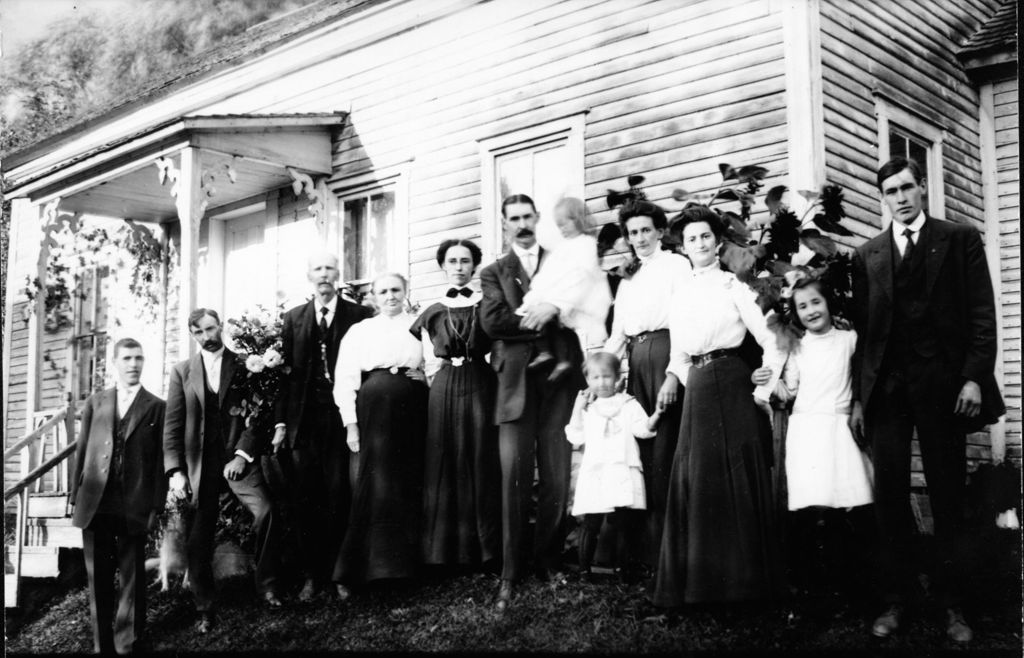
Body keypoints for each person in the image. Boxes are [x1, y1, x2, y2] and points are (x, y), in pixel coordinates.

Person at [849, 156, 1004, 643]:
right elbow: (864, 334)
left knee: (947, 496)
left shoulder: (958, 239)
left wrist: (974, 378)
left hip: (944, 390)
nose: (900, 197)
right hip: (887, 393)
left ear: (922, 189)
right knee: (889, 498)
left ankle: (953, 605)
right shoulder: (867, 255)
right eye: (890, 190)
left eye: (907, 187)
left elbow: (982, 315)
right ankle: (897, 601)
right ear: (883, 197)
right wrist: (859, 398)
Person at [653, 205, 785, 607]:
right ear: (684, 247)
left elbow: (774, 340)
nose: (699, 244)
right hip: (698, 389)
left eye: (706, 236)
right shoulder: (680, 293)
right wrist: (673, 378)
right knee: (698, 479)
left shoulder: (734, 287)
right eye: (691, 239)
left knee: (735, 479)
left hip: (730, 382)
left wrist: (763, 389)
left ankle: (743, 589)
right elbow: (678, 352)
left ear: (718, 241)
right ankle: (700, 587)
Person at [480, 193, 585, 611]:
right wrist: (543, 314)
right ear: (504, 224)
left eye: (528, 217)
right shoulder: (493, 272)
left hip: (558, 383)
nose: (522, 224)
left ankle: (550, 561)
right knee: (514, 479)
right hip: (514, 386)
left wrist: (555, 307)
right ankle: (510, 572)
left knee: (557, 477)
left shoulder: (561, 261)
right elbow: (492, 322)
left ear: (538, 219)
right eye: (514, 219)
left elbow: (577, 308)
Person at [164, 309, 284, 634]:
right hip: (199, 465)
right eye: (199, 332)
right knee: (197, 536)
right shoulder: (182, 371)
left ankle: (268, 586)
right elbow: (173, 424)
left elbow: (258, 412)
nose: (207, 336)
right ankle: (205, 607)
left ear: (220, 327)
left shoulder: (245, 364)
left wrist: (243, 454)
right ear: (193, 334)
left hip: (236, 461)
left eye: (211, 328)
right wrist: (175, 471)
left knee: (267, 511)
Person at [759, 273, 873, 597]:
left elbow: (862, 378)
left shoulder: (849, 340)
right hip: (807, 431)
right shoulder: (798, 349)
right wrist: (763, 379)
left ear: (828, 303)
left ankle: (847, 583)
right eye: (802, 306)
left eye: (816, 302)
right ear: (795, 313)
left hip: (839, 428)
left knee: (843, 505)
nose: (811, 311)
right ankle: (808, 585)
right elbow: (789, 390)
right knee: (810, 507)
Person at [272, 250, 373, 601]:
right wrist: (282, 422)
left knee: (340, 496)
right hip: (304, 423)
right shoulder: (294, 318)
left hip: (343, 419)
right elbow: (285, 378)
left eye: (330, 268)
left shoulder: (359, 315)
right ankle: (313, 576)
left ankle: (341, 574)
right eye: (318, 268)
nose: (324, 274)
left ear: (338, 274)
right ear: (309, 276)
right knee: (305, 500)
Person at [603, 198, 691, 567]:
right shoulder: (629, 275)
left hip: (667, 353)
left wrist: (674, 372)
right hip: (637, 362)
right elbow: (619, 332)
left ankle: (677, 550)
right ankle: (650, 552)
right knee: (643, 448)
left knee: (668, 446)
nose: (639, 238)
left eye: (645, 230)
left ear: (659, 232)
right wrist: (601, 372)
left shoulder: (676, 265)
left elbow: (687, 320)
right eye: (632, 232)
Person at [333, 273, 429, 590]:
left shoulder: (420, 325)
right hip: (373, 412)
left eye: (396, 290)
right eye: (383, 291)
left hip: (412, 411)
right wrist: (351, 425)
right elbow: (345, 379)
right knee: (374, 484)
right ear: (373, 296)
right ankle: (367, 569)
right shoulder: (360, 331)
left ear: (406, 291)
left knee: (407, 481)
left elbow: (436, 363)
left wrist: (425, 376)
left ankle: (406, 569)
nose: (390, 296)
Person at [70, 338, 165, 654]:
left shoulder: (156, 407)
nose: (133, 364)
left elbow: (159, 462)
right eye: (126, 358)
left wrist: (156, 505)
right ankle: (102, 644)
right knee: (98, 576)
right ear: (115, 362)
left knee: (131, 574)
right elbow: (83, 450)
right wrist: (75, 496)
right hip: (97, 500)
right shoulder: (97, 402)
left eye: (139, 358)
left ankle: (126, 642)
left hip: (133, 501)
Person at [411, 239, 501, 569]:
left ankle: (486, 551)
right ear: (443, 266)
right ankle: (443, 554)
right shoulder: (432, 311)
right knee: (445, 459)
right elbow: (425, 359)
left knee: (480, 456)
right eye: (453, 261)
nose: (459, 267)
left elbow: (498, 348)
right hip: (445, 384)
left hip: (480, 381)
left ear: (474, 265)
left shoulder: (487, 304)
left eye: (465, 261)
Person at [565, 352, 661, 580]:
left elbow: (644, 429)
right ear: (587, 380)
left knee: (621, 520)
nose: (601, 382)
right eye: (595, 377)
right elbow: (575, 436)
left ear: (618, 377)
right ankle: (584, 570)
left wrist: (657, 414)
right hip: (596, 471)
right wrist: (577, 408)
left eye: (607, 376)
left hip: (620, 469)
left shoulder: (628, 404)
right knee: (592, 521)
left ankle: (621, 569)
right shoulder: (587, 407)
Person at [517, 197, 612, 381]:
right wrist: (540, 291)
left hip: (580, 295)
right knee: (538, 314)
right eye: (558, 226)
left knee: (562, 323)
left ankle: (563, 360)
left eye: (565, 224)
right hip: (560, 291)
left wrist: (557, 299)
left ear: (577, 219)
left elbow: (583, 274)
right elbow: (551, 272)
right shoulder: (562, 247)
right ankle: (547, 352)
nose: (562, 229)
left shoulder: (586, 243)